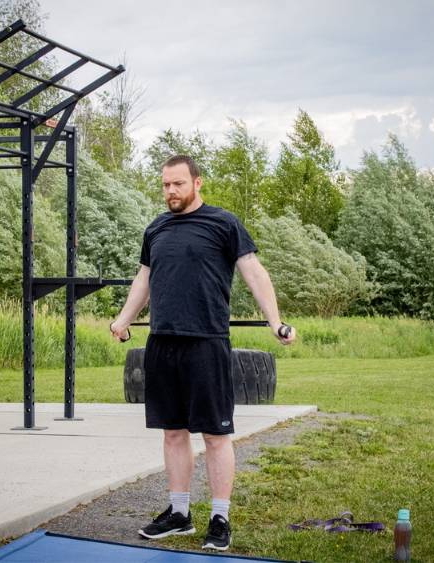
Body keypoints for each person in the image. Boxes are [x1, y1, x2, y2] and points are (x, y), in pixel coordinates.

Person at [110, 155, 296, 551]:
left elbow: (254, 272)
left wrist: (274, 321)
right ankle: (179, 514)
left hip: (206, 342)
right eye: (165, 185)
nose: (170, 192)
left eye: (178, 184)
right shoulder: (156, 228)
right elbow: (144, 278)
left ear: (197, 183)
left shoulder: (223, 223)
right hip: (162, 342)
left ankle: (219, 517)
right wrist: (123, 320)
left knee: (215, 434)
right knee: (173, 432)